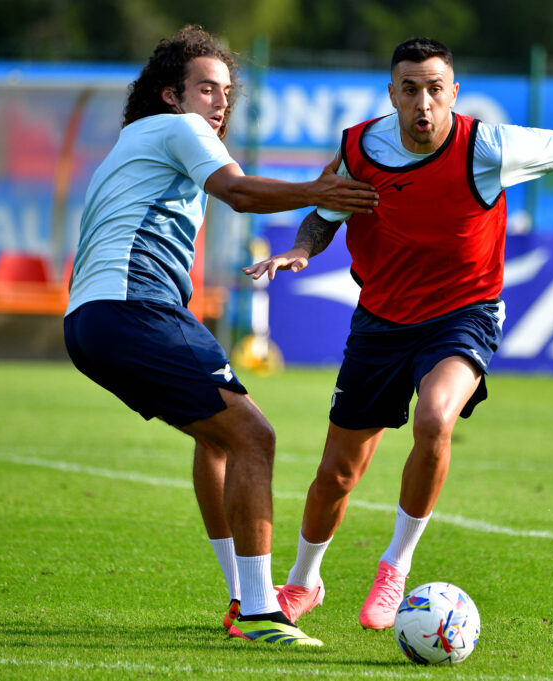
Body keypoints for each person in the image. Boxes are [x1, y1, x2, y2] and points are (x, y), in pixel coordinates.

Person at [243, 37, 553, 632]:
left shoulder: (488, 146)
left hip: (462, 313)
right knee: (337, 473)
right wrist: (300, 248)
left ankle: (395, 564)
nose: (424, 102)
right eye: (410, 89)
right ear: (392, 93)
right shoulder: (361, 147)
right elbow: (326, 210)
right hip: (382, 321)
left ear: (454, 92)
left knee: (435, 419)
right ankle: (303, 582)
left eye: (435, 89)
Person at [63, 25, 378, 646]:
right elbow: (235, 192)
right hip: (131, 310)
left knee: (219, 442)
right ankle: (262, 611)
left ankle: (243, 598)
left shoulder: (140, 141)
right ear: (171, 96)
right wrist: (318, 191)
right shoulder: (179, 130)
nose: (220, 102)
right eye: (205, 88)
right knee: (254, 436)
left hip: (98, 318)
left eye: (227, 91)